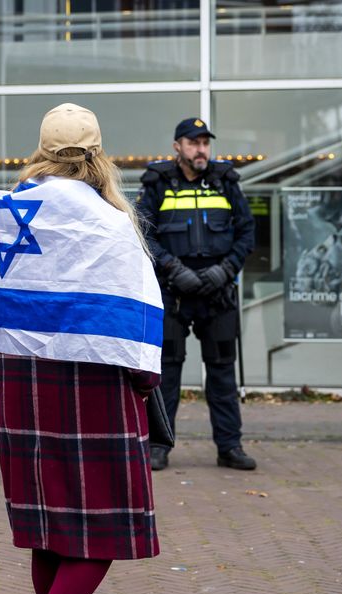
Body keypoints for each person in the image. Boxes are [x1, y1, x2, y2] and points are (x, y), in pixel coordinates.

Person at [0, 104, 163, 594]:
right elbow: (134, 317)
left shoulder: (6, 211)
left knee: (46, 526)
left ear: (41, 151)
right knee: (103, 523)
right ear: (97, 155)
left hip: (22, 382)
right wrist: (147, 384)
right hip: (93, 385)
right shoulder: (109, 223)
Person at [137, 118, 257, 471]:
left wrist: (224, 271)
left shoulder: (225, 181)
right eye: (193, 142)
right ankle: (159, 446)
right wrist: (174, 269)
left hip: (217, 293)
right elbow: (143, 232)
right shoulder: (157, 183)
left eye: (205, 142)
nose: (201, 148)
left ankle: (229, 447)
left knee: (222, 373)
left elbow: (247, 232)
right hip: (174, 293)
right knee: (166, 375)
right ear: (178, 147)